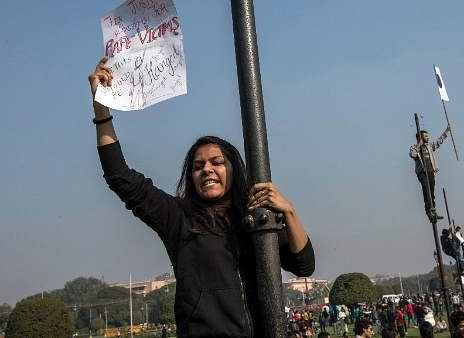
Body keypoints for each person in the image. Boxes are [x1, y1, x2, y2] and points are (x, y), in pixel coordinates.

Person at [88, 57, 315, 337]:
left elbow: (304, 265)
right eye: (197, 166)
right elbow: (119, 177)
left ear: (235, 169)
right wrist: (101, 106)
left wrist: (288, 212)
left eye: (216, 162)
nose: (206, 169)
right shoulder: (178, 218)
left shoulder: (256, 217)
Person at [409, 124, 451, 222]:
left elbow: (438, 142)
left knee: (431, 190)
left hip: (430, 171)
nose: (428, 137)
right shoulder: (415, 147)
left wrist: (446, 131)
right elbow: (412, 154)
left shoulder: (429, 147)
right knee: (426, 188)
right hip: (422, 172)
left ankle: (433, 210)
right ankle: (428, 210)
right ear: (421, 138)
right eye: (426, 136)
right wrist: (418, 145)